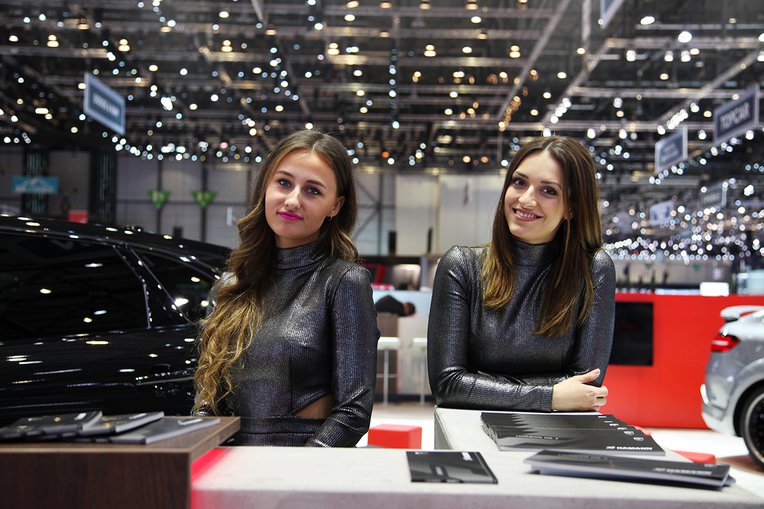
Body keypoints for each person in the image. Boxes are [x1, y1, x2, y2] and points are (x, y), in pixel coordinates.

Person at [193, 130, 379, 446]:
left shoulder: (344, 282)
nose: (292, 200)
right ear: (266, 186)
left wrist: (297, 467)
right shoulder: (231, 286)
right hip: (229, 462)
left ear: (335, 206)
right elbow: (207, 395)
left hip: (301, 463)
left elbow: (353, 413)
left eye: (312, 191)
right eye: (283, 183)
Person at [427, 136, 616, 413]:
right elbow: (447, 385)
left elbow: (586, 384)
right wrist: (550, 396)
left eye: (548, 191)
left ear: (572, 207)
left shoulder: (593, 270)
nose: (526, 200)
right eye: (519, 182)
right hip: (471, 428)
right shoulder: (462, 266)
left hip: (559, 432)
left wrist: (483, 382)